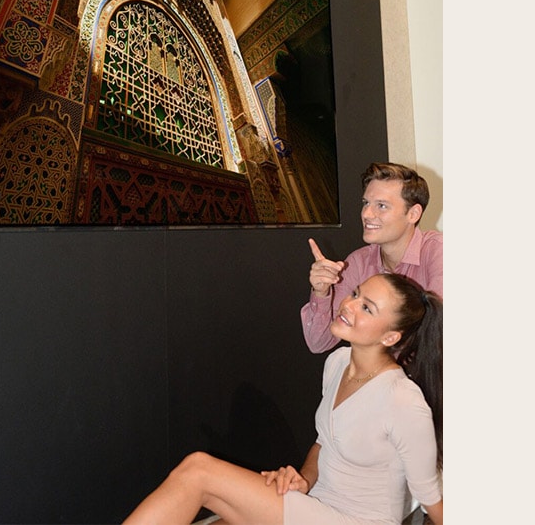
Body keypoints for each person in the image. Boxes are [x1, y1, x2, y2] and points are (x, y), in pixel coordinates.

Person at [123, 273, 443, 525]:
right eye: (356, 293)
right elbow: (324, 443)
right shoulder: (337, 364)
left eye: (366, 307)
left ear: (390, 337)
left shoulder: (403, 400)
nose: (348, 304)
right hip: (316, 504)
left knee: (198, 471)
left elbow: (432, 501)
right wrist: (301, 479)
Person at [302, 162, 443, 354]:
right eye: (366, 203)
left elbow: (438, 336)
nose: (366, 214)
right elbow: (318, 342)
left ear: (413, 213)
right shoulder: (358, 262)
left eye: (381, 206)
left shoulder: (439, 252)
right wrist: (321, 292)